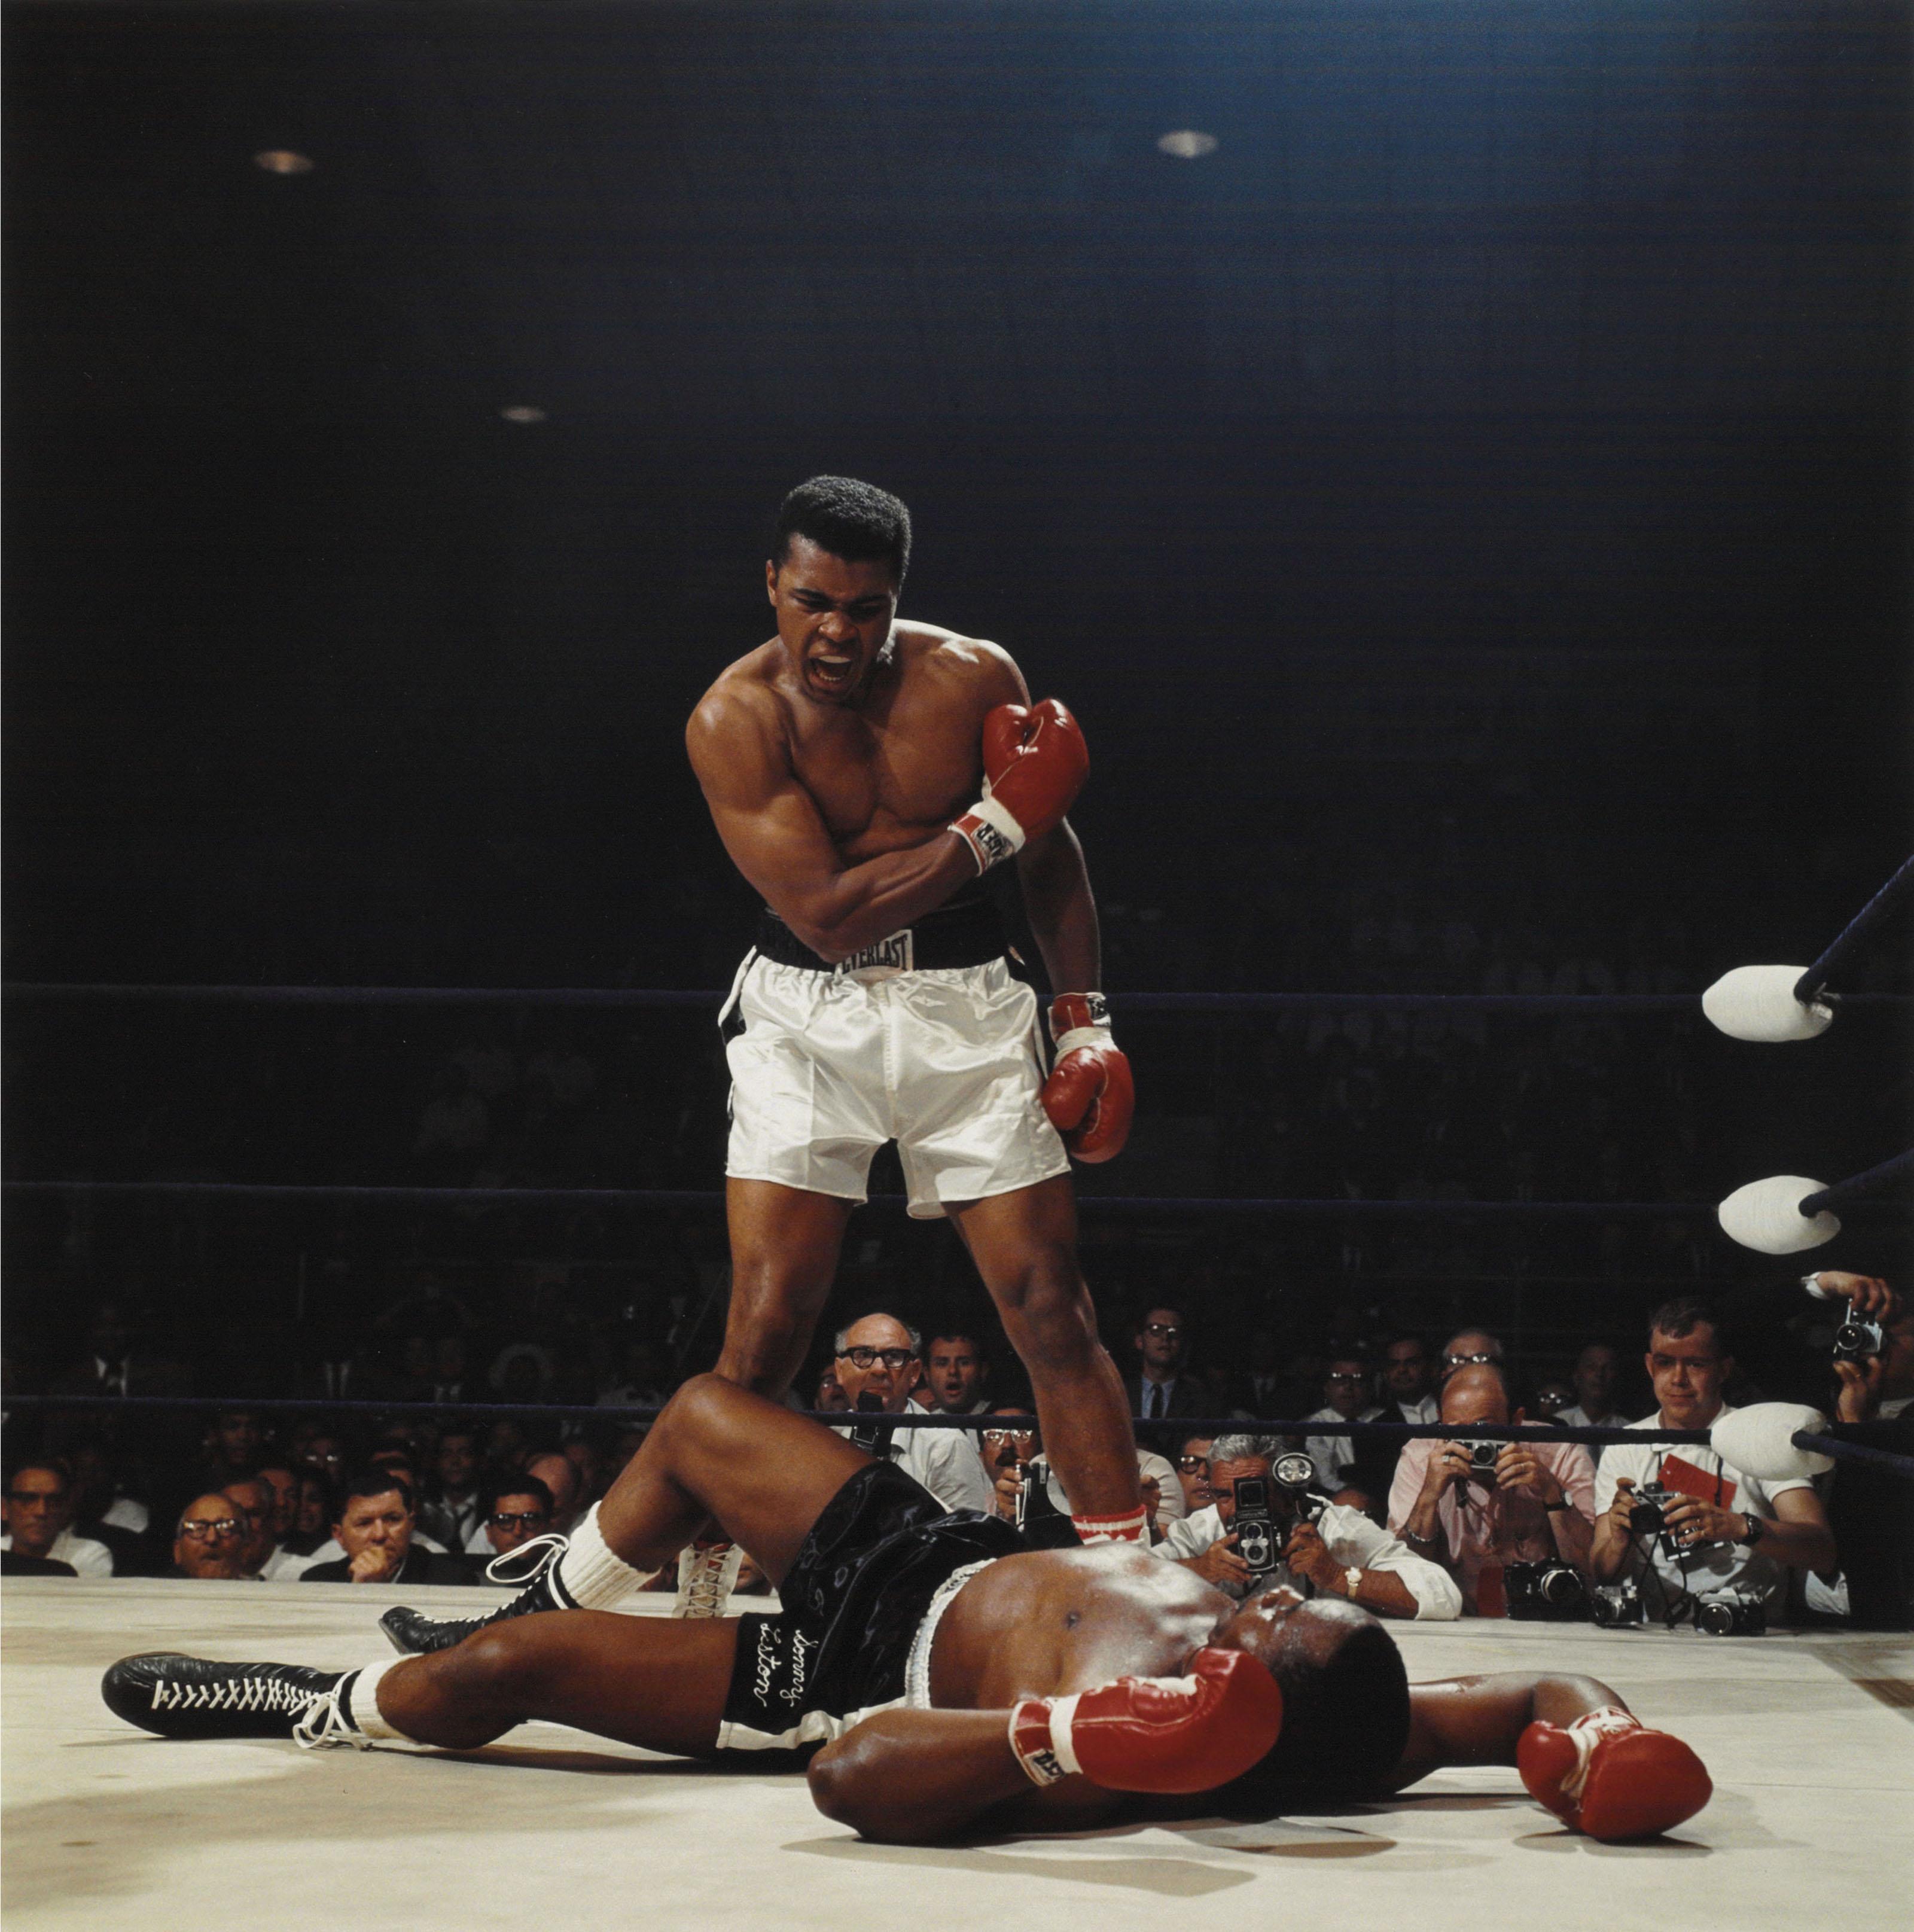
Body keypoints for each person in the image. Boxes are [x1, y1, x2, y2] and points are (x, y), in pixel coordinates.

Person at [103, 1374, 1713, 1846]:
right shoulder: (1361, 1704)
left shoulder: (1196, 1740)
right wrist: (1607, 1746)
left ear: (1261, 1690)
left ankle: (323, 1698)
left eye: (1272, 1620)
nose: (1269, 1586)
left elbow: (851, 1772)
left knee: (505, 1669)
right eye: (1283, 1599)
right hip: (927, 1537)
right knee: (700, 1415)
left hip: (855, 1660)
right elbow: (1531, 1690)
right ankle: (534, 1575)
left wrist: (1069, 1728)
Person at [679, 475, 1140, 1565]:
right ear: (771, 586)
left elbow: (1050, 849)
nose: (835, 633)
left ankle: (1130, 1583)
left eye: (864, 608)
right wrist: (992, 826)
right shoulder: (733, 721)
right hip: (807, 1013)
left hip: (967, 1006)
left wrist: (1084, 1020)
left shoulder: (972, 676)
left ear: (897, 599)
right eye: (810, 602)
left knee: (1048, 1305)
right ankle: (693, 1591)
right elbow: (834, 919)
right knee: (769, 1322)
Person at [1591, 1299, 1835, 1617]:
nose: (1678, 1379)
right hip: (1658, 1637)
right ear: (1650, 1366)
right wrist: (1619, 1544)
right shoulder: (1626, 1445)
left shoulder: (1761, 1435)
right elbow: (1601, 1572)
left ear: (1724, 1369)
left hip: (1756, 1636)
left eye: (1696, 1364)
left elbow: (1821, 1550)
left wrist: (1739, 1526)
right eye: (1666, 1363)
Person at [1155, 1434, 1459, 1619]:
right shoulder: (1202, 1532)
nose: (1236, 1509)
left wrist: (1337, 1575)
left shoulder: (1335, 1526)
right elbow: (1122, 1582)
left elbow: (1443, 1596)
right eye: (1223, 1496)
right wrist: (1199, 1569)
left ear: (1286, 1489)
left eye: (1253, 1494)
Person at [1389, 1364, 1596, 1616]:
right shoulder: (1420, 1456)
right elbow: (1404, 1575)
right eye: (1456, 1431)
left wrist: (1553, 1494)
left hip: (1544, 1620)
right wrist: (1429, 1496)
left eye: (1481, 1430)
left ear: (1516, 1421)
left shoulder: (1559, 1451)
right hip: (1455, 1620)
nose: (1472, 1446)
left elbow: (1593, 1572)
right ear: (1440, 1420)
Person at [829, 1314, 993, 1516]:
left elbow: (966, 1538)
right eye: (863, 1355)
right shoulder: (823, 1441)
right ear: (840, 1371)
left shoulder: (946, 1445)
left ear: (915, 1373)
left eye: (894, 1357)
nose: (879, 1369)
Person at [298, 1474, 471, 1587]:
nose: (380, 1535)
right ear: (340, 1536)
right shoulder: (317, 1581)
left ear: (410, 1524)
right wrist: (359, 1588)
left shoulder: (452, 1580)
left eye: (393, 1519)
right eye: (364, 1523)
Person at [2, 1460, 113, 1576]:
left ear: (65, 1509)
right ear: (4, 1509)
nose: (41, 1511)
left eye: (54, 1501)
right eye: (28, 1499)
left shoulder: (89, 1555)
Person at [1301, 1356, 1385, 1491]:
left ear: (1370, 1387)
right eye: (1339, 1378)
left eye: (1357, 1379)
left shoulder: (1386, 1420)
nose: (1348, 1387)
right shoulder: (1314, 1425)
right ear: (1327, 1387)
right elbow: (1322, 1477)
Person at [1126, 1305, 1211, 1424]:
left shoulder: (1200, 1397)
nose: (1165, 1338)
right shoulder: (1120, 1392)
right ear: (1140, 1341)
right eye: (1156, 1330)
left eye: (1174, 1331)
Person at [170, 1492, 253, 1581]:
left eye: (226, 1528)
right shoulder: (157, 1591)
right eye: (198, 1529)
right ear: (177, 1551)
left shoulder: (263, 1593)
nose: (212, 1539)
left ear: (246, 1549)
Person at [922, 1330, 990, 1414]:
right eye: (942, 1364)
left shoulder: (1004, 1420)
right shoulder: (921, 1425)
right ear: (927, 1374)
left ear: (983, 1370)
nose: (953, 1371)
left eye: (964, 1363)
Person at [1557, 1343, 1623, 1429]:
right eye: (1591, 1367)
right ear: (1577, 1377)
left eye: (1608, 1368)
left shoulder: (1628, 1429)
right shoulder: (1557, 1426)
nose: (1599, 1374)